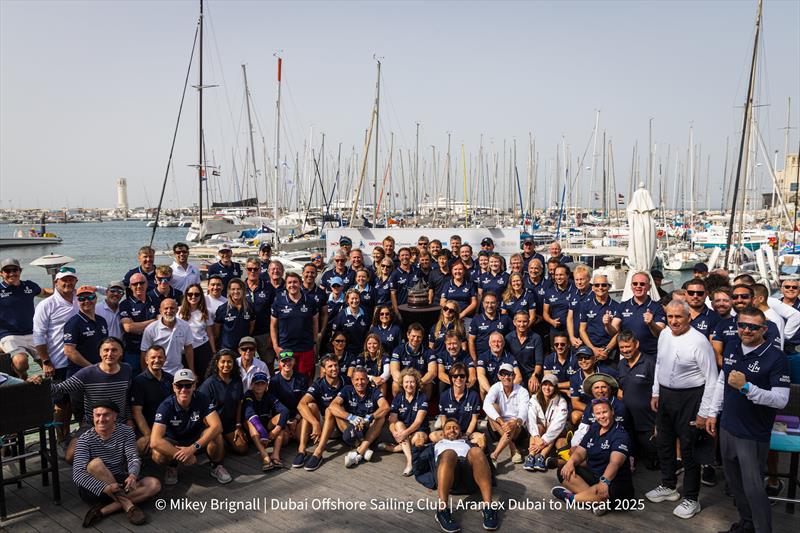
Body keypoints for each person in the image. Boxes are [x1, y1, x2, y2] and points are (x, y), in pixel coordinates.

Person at [706, 306, 790, 533]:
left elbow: (781, 400)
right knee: (734, 484)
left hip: (752, 433)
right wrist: (713, 412)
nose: (746, 330)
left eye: (753, 327)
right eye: (742, 325)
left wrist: (746, 387)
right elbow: (723, 382)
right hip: (727, 427)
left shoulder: (776, 357)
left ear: (764, 329)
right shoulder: (733, 347)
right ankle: (746, 524)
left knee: (754, 488)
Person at [646, 299, 718, 520]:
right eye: (670, 317)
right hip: (666, 396)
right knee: (665, 443)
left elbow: (712, 379)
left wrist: (704, 412)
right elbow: (660, 363)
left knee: (689, 450)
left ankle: (691, 498)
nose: (674, 321)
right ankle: (668, 485)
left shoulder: (699, 341)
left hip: (691, 398)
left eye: (679, 317)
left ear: (688, 317)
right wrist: (656, 392)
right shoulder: (665, 334)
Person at [73, 400, 160, 528]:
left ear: (115, 416)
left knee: (154, 484)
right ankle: (128, 506)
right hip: (95, 488)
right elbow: (78, 474)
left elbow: (133, 458)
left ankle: (103, 511)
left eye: (106, 415)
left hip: (119, 480)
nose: (101, 419)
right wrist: (105, 488)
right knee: (95, 464)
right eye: (97, 415)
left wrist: (132, 475)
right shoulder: (85, 440)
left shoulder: (126, 432)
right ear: (93, 416)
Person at [50, 336, 133, 463]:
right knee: (71, 456)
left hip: (119, 422)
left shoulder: (127, 370)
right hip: (92, 423)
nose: (109, 354)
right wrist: (37, 383)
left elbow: (126, 398)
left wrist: (129, 419)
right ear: (100, 353)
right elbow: (59, 388)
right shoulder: (87, 373)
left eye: (114, 350)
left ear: (121, 352)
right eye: (106, 350)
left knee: (133, 450)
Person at [551, 398, 635, 516]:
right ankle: (596, 501)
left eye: (605, 412)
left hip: (614, 481)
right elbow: (580, 452)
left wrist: (604, 482)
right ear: (594, 415)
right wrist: (570, 463)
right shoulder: (594, 428)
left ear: (612, 412)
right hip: (594, 476)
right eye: (598, 413)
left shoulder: (620, 434)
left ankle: (571, 498)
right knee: (564, 471)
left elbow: (615, 463)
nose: (602, 416)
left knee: (611, 491)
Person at [150, 368, 232, 485]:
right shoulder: (166, 406)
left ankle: (216, 465)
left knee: (216, 435)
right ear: (174, 387)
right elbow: (154, 441)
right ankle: (172, 466)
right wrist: (184, 456)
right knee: (157, 454)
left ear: (194, 386)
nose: (183, 389)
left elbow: (217, 426)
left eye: (188, 385)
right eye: (179, 386)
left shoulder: (202, 398)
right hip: (175, 443)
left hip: (197, 440)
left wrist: (192, 448)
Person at [420, 418, 499, 533]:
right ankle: (442, 509)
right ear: (442, 433)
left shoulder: (468, 443)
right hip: (448, 476)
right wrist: (418, 447)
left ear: (461, 433)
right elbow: (419, 464)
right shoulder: (435, 445)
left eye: (455, 428)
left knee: (476, 451)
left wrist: (483, 448)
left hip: (469, 477)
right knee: (449, 453)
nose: (452, 430)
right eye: (448, 428)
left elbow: (486, 466)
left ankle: (488, 507)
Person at [295, 355, 351, 470]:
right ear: (324, 369)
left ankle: (318, 453)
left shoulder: (346, 381)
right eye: (330, 366)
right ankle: (301, 450)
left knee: (329, 409)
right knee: (309, 406)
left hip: (341, 425)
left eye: (336, 365)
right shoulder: (319, 383)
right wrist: (315, 423)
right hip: (323, 425)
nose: (334, 368)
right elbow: (300, 404)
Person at [328, 366, 390, 468]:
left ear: (367, 380)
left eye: (362, 379)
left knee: (381, 417)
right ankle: (363, 447)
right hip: (352, 425)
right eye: (356, 379)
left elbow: (385, 407)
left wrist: (369, 418)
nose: (360, 382)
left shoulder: (374, 391)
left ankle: (359, 451)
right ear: (352, 381)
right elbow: (332, 406)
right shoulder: (347, 389)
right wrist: (351, 417)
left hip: (368, 427)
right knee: (336, 412)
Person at [616, 330, 658, 470]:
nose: (625, 350)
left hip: (648, 423)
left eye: (628, 346)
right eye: (622, 347)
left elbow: (660, 392)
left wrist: (658, 423)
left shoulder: (650, 363)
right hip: (627, 422)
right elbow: (621, 388)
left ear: (637, 344)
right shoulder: (621, 364)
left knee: (652, 465)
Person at [0, 257, 50, 373]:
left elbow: (44, 292)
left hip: (33, 332)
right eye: (7, 271)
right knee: (21, 362)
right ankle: (22, 380)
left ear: (20, 271)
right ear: (1, 274)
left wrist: (67, 292)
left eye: (15, 270)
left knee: (48, 362)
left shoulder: (29, 286)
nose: (12, 273)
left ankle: (51, 387)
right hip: (9, 335)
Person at [379, 368, 429, 476]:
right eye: (406, 382)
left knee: (418, 438)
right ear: (402, 383)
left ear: (416, 383)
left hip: (419, 431)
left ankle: (394, 449)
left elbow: (418, 422)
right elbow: (392, 420)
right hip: (403, 431)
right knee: (398, 424)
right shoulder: (398, 397)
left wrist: (404, 434)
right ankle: (410, 461)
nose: (409, 385)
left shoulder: (422, 397)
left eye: (412, 382)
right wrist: (394, 432)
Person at [270, 272, 319, 382]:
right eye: (289, 282)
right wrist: (275, 346)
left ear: (300, 283)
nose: (292, 285)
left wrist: (315, 343)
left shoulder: (310, 301)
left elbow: (315, 323)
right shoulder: (278, 302)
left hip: (305, 347)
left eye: (295, 282)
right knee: (287, 379)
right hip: (286, 348)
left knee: (306, 380)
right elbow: (273, 326)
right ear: (286, 285)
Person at [198, 349, 248, 455]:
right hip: (213, 425)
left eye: (229, 362)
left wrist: (238, 425)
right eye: (223, 362)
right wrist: (211, 429)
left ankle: (225, 442)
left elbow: (239, 402)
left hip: (229, 424)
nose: (226, 365)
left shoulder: (237, 380)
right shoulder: (208, 384)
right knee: (216, 452)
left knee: (242, 448)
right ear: (217, 363)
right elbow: (200, 409)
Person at [608, 271, 666, 357]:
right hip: (628, 356)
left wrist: (651, 324)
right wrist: (607, 324)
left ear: (649, 287)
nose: (638, 286)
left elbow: (661, 333)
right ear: (631, 286)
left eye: (642, 284)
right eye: (635, 284)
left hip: (650, 356)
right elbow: (613, 332)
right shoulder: (623, 305)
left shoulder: (657, 307)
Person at [483, 362, 530, 466]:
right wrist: (501, 421)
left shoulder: (523, 391)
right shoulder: (495, 387)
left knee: (513, 422)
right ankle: (512, 447)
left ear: (513, 376)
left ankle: (494, 455)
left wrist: (516, 421)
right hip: (499, 427)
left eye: (509, 374)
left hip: (517, 429)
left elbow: (524, 411)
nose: (506, 377)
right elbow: (486, 405)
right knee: (492, 408)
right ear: (499, 376)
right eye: (503, 374)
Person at [130, 346, 174, 455]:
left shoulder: (171, 379)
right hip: (147, 426)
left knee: (161, 455)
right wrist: (149, 435)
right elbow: (137, 412)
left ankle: (172, 466)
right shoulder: (138, 382)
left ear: (165, 358)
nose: (156, 360)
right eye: (153, 357)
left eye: (160, 357)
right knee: (139, 445)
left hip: (167, 426)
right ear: (146, 360)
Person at [244, 371, 290, 471]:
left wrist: (276, 429)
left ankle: (275, 455)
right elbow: (249, 413)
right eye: (257, 383)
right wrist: (262, 432)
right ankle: (265, 456)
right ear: (252, 385)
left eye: (262, 383)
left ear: (266, 385)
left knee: (281, 418)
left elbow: (285, 410)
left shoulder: (268, 395)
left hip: (266, 429)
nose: (259, 386)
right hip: (255, 431)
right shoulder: (248, 395)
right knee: (249, 421)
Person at [522, 373, 568, 472]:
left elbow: (557, 426)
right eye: (544, 384)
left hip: (551, 433)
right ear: (541, 385)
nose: (547, 388)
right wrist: (537, 438)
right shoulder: (534, 398)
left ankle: (541, 457)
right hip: (539, 432)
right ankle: (531, 456)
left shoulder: (562, 402)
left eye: (550, 385)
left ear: (555, 387)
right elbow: (530, 419)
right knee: (537, 427)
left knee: (552, 431)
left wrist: (543, 442)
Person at [431, 362, 484, 448]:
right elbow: (443, 418)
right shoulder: (444, 395)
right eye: (455, 376)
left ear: (466, 377)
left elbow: (474, 420)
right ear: (451, 378)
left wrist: (466, 435)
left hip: (467, 432)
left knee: (480, 438)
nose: (458, 378)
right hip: (451, 432)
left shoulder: (473, 395)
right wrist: (447, 433)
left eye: (462, 376)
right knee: (433, 436)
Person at [63, 286, 109, 377]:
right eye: (81, 299)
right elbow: (69, 351)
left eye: (90, 297)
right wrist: (92, 368)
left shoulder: (101, 321)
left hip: (100, 371)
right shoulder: (73, 323)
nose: (87, 301)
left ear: (96, 299)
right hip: (80, 374)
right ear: (77, 301)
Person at [140, 298, 193, 375]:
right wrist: (145, 374)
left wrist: (192, 370)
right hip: (157, 372)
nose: (169, 311)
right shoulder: (150, 329)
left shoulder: (185, 326)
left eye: (172, 308)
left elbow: (188, 348)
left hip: (177, 371)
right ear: (160, 311)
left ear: (177, 310)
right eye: (166, 308)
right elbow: (144, 353)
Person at [119, 272, 158, 374]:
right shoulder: (125, 304)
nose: (139, 286)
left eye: (141, 283)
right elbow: (129, 327)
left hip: (154, 351)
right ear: (130, 286)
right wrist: (154, 322)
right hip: (133, 352)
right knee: (135, 382)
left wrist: (139, 326)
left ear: (146, 284)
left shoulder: (156, 301)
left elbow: (164, 323)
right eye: (135, 284)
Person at [568, 345, 617, 426]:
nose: (583, 361)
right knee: (575, 416)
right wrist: (594, 410)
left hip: (606, 408)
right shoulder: (575, 377)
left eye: (586, 357)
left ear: (594, 359)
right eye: (580, 358)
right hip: (587, 408)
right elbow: (575, 403)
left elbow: (620, 383)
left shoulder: (606, 372)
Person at [268, 351, 308, 444]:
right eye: (284, 361)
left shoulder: (302, 378)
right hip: (282, 416)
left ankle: (295, 431)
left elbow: (305, 402)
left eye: (289, 360)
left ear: (294, 361)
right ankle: (287, 431)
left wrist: (297, 419)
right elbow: (274, 406)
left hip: (297, 416)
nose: (287, 363)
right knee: (285, 441)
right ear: (279, 363)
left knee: (299, 439)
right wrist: (285, 422)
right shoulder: (274, 381)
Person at [177, 283, 215, 378]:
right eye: (190, 294)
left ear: (201, 296)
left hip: (202, 348)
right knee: (187, 378)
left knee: (203, 377)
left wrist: (214, 352)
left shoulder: (205, 312)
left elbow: (210, 334)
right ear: (186, 296)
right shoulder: (178, 312)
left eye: (196, 294)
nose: (193, 296)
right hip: (184, 350)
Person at [579, 273, 619, 363]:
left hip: (610, 353)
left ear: (609, 287)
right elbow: (582, 330)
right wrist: (593, 349)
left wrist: (607, 350)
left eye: (604, 285)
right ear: (592, 288)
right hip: (590, 351)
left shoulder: (617, 306)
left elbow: (618, 333)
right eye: (597, 285)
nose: (600, 287)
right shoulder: (586, 305)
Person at [390, 323, 437, 398]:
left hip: (421, 382)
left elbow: (432, 372)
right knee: (395, 385)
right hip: (404, 382)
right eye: (413, 336)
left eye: (419, 337)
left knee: (429, 385)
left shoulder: (428, 351)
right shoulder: (398, 350)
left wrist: (418, 383)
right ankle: (399, 407)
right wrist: (407, 384)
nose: (415, 339)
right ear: (408, 335)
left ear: (422, 338)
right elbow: (394, 371)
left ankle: (424, 407)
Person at [504, 310, 543, 392]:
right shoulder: (508, 338)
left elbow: (539, 362)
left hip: (531, 374)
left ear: (529, 322)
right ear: (514, 322)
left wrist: (534, 376)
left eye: (525, 321)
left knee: (533, 387)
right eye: (519, 321)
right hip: (514, 375)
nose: (522, 324)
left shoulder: (536, 338)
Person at [244, 257, 274, 363]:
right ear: (246, 269)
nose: (252, 271)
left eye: (255, 269)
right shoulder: (240, 287)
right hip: (245, 334)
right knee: (246, 363)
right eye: (250, 269)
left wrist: (272, 334)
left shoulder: (268, 287)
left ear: (260, 270)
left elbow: (274, 312)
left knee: (269, 363)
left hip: (264, 333)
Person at [477, 331, 523, 400]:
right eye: (493, 342)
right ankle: (487, 409)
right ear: (489, 344)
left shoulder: (510, 357)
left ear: (503, 343)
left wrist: (507, 391)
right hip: (490, 387)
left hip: (505, 387)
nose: (496, 344)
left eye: (499, 341)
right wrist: (492, 393)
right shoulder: (483, 356)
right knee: (482, 387)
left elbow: (518, 377)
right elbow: (480, 375)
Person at [468, 292, 513, 361]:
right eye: (487, 302)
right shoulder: (476, 319)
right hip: (482, 359)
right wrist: (474, 359)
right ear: (483, 304)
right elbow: (471, 340)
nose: (489, 305)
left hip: (502, 358)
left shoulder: (505, 319)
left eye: (492, 303)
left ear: (497, 304)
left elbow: (514, 337)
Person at [214, 278, 254, 351]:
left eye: (239, 289)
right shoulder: (222, 309)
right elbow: (217, 332)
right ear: (229, 291)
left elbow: (251, 327)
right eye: (233, 289)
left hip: (244, 349)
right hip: (227, 348)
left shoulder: (250, 307)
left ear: (243, 290)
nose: (236, 292)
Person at [330, 289, 370, 356]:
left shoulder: (365, 313)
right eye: (352, 298)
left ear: (360, 299)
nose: (354, 301)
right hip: (347, 352)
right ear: (347, 300)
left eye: (356, 298)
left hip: (362, 352)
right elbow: (335, 335)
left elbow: (368, 332)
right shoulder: (341, 315)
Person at [566, 264, 593, 349]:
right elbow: (570, 318)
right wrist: (571, 337)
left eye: (582, 279)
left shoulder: (595, 294)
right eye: (576, 280)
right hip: (576, 339)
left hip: (591, 338)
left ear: (588, 279)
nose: (579, 282)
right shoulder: (573, 294)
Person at [542, 264, 573, 338]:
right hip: (555, 330)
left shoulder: (575, 289)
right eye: (556, 275)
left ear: (567, 276)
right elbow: (545, 313)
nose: (558, 277)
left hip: (572, 329)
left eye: (561, 275)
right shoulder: (549, 291)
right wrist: (551, 321)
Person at [389, 247, 419, 316]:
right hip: (401, 309)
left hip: (416, 308)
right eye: (402, 255)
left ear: (410, 257)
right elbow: (393, 294)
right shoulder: (395, 274)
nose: (405, 257)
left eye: (407, 255)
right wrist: (396, 311)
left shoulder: (417, 271)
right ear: (399, 258)